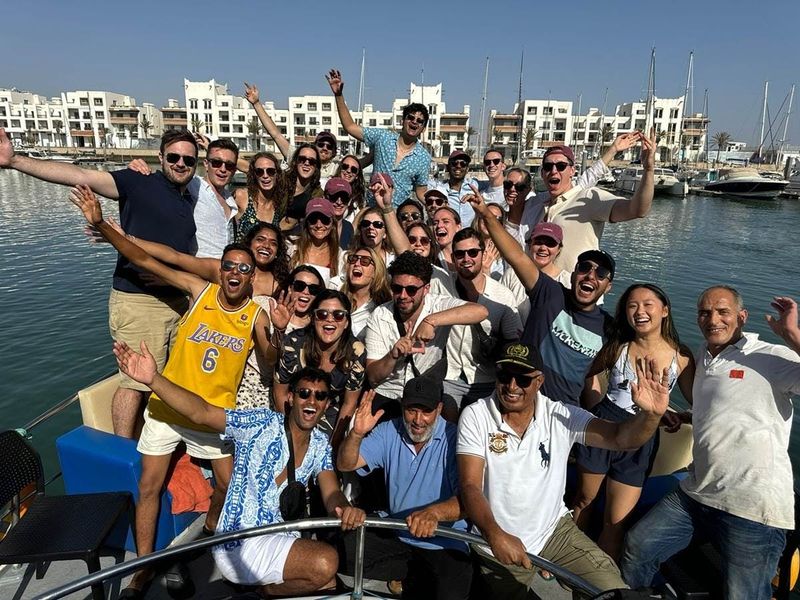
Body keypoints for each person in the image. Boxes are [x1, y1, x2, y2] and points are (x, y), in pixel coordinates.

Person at [69, 184, 274, 596]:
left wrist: (277, 336)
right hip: (165, 408)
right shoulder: (200, 294)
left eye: (244, 269)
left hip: (209, 415)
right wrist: (103, 226)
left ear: (254, 278)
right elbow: (142, 257)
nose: (235, 273)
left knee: (225, 486)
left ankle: (210, 531)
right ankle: (143, 568)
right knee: (148, 486)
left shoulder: (256, 316)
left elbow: (270, 362)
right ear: (221, 270)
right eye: (229, 266)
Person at [114, 346, 366, 598]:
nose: (311, 401)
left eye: (320, 396)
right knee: (326, 562)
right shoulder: (260, 423)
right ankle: (264, 591)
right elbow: (201, 412)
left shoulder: (321, 444)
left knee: (327, 585)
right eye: (304, 393)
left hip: (280, 536)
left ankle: (260, 592)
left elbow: (331, 490)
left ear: (326, 405)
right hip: (239, 540)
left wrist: (344, 508)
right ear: (290, 397)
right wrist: (153, 379)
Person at [0, 127, 199, 438]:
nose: (181, 163)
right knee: (134, 383)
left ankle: (151, 448)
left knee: (160, 380)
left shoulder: (186, 199)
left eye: (189, 159)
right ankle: (121, 454)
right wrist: (15, 161)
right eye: (173, 157)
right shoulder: (138, 182)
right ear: (161, 158)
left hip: (175, 302)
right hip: (139, 299)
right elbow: (81, 174)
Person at [621, 289, 800, 599]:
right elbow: (724, 405)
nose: (713, 319)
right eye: (705, 313)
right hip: (696, 492)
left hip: (751, 506)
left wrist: (793, 335)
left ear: (742, 317)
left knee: (742, 595)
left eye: (722, 312)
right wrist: (684, 417)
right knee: (638, 547)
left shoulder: (770, 356)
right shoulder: (702, 357)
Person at [457, 342, 672, 597]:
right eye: (505, 376)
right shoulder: (476, 416)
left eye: (523, 379)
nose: (512, 386)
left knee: (612, 590)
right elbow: (470, 485)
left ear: (539, 381)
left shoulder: (561, 416)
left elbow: (620, 438)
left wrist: (650, 416)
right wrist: (495, 535)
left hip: (554, 531)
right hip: (498, 539)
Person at [571, 283, 695, 562]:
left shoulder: (682, 357)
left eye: (647, 304)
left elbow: (696, 399)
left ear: (665, 310)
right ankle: (570, 558)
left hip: (643, 436)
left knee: (616, 520)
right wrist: (592, 407)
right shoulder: (617, 348)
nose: (639, 311)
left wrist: (667, 415)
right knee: (584, 500)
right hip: (604, 426)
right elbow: (586, 373)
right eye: (632, 305)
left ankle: (602, 580)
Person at [464, 185, 613, 406]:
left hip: (565, 416)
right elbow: (516, 256)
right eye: (584, 268)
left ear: (607, 287)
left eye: (600, 273)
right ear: (573, 274)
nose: (590, 275)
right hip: (522, 401)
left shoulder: (608, 328)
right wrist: (486, 213)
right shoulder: (550, 293)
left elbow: (595, 368)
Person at [337, 377, 472, 600]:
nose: (418, 420)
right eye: (411, 410)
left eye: (426, 411)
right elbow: (346, 463)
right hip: (398, 533)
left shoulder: (456, 439)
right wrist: (357, 434)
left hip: (444, 542)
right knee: (336, 553)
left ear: (439, 409)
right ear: (402, 406)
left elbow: (469, 499)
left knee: (451, 589)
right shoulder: (390, 429)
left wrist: (432, 515)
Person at [364, 251, 489, 421]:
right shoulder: (380, 315)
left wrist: (431, 321)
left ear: (426, 289)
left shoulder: (438, 304)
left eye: (411, 289)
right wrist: (392, 356)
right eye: (396, 288)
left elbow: (480, 311)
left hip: (425, 394)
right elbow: (373, 376)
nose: (403, 296)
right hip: (390, 393)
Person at [536, 133, 655, 271]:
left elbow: (637, 210)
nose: (553, 171)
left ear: (572, 171)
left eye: (561, 166)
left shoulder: (588, 197)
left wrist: (649, 170)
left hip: (576, 290)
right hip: (543, 289)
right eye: (548, 166)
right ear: (542, 173)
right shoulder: (538, 202)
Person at [274, 290, 367, 446]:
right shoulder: (293, 343)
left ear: (346, 322)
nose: (330, 320)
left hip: (330, 411)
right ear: (313, 318)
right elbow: (280, 392)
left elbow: (349, 404)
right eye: (322, 314)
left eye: (338, 315)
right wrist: (288, 436)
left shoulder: (356, 352)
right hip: (294, 407)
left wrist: (331, 446)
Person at [327, 68, 431, 205]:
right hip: (372, 211)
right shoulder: (383, 138)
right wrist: (339, 95)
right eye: (410, 118)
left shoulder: (424, 157)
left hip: (397, 216)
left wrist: (438, 205)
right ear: (402, 121)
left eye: (419, 121)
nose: (414, 122)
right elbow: (350, 126)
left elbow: (421, 191)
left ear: (423, 128)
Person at [445, 228, 522, 410]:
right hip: (449, 377)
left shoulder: (503, 296)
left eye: (472, 252)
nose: (466, 259)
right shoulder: (442, 284)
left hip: (487, 379)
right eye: (460, 254)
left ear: (483, 254)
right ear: (453, 257)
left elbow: (514, 343)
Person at [244, 81, 340, 180]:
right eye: (321, 144)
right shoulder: (298, 158)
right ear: (315, 146)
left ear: (333, 152)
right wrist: (256, 104)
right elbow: (276, 134)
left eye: (329, 146)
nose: (324, 148)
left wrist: (338, 95)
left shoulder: (338, 169)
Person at [501, 221, 571, 322]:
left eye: (550, 244)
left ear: (559, 249)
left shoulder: (567, 282)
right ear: (530, 245)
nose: (543, 248)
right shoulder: (511, 275)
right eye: (538, 242)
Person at [328, 247, 391, 341]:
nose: (357, 264)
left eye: (365, 261)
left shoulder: (383, 308)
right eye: (353, 259)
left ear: (376, 271)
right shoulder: (334, 292)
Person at [234, 151, 288, 238]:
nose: (265, 175)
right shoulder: (242, 197)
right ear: (254, 175)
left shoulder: (280, 204)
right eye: (259, 171)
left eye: (270, 171)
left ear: (277, 174)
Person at [290, 197, 340, 284]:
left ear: (333, 223)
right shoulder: (292, 249)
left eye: (325, 220)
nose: (318, 225)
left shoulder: (340, 256)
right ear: (306, 223)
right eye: (313, 219)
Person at [428, 150, 479, 226]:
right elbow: (419, 186)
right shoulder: (439, 188)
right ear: (448, 167)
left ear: (467, 169)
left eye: (463, 164)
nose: (458, 166)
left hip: (470, 235)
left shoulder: (475, 185)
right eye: (454, 163)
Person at [282, 144, 323, 227]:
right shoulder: (281, 181)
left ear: (316, 166)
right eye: (302, 159)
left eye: (311, 161)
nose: (307, 163)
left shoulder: (317, 193)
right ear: (295, 161)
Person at [323, 177, 355, 249]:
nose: (339, 202)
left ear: (349, 201)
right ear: (324, 197)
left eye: (344, 198)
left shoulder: (348, 228)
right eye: (334, 197)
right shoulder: (314, 224)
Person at [333, 154, 367, 219]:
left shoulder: (360, 198)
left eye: (353, 170)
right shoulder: (326, 185)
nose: (348, 171)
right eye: (345, 166)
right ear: (340, 168)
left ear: (357, 176)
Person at [432, 206, 462, 275]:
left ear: (458, 227)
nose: (439, 225)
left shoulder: (469, 253)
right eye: (435, 223)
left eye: (446, 221)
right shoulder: (431, 257)